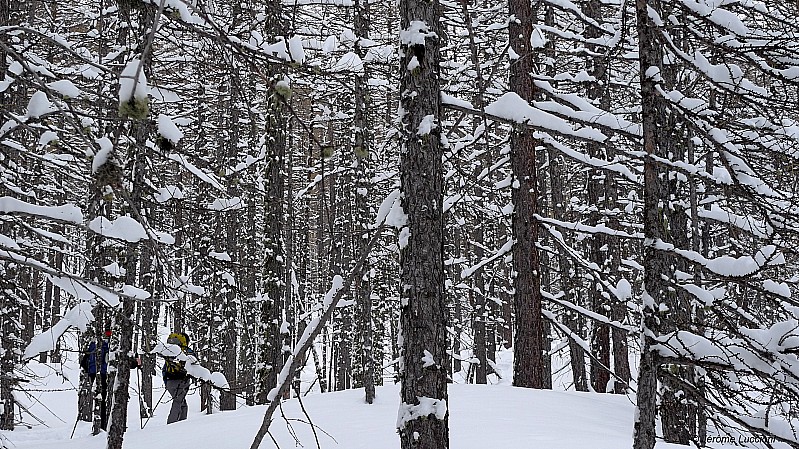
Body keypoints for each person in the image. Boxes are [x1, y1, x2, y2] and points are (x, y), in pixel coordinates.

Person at [81, 330, 111, 429]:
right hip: (103, 373)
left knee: (100, 398)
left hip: (94, 373)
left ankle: (101, 424)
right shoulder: (107, 344)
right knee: (103, 399)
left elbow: (84, 360)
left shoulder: (93, 343)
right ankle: (102, 425)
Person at [163, 332, 193, 424]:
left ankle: (181, 425)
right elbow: (194, 366)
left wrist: (166, 383)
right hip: (182, 381)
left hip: (169, 381)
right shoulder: (187, 352)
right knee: (178, 403)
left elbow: (164, 369)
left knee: (182, 404)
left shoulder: (169, 352)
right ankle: (171, 425)